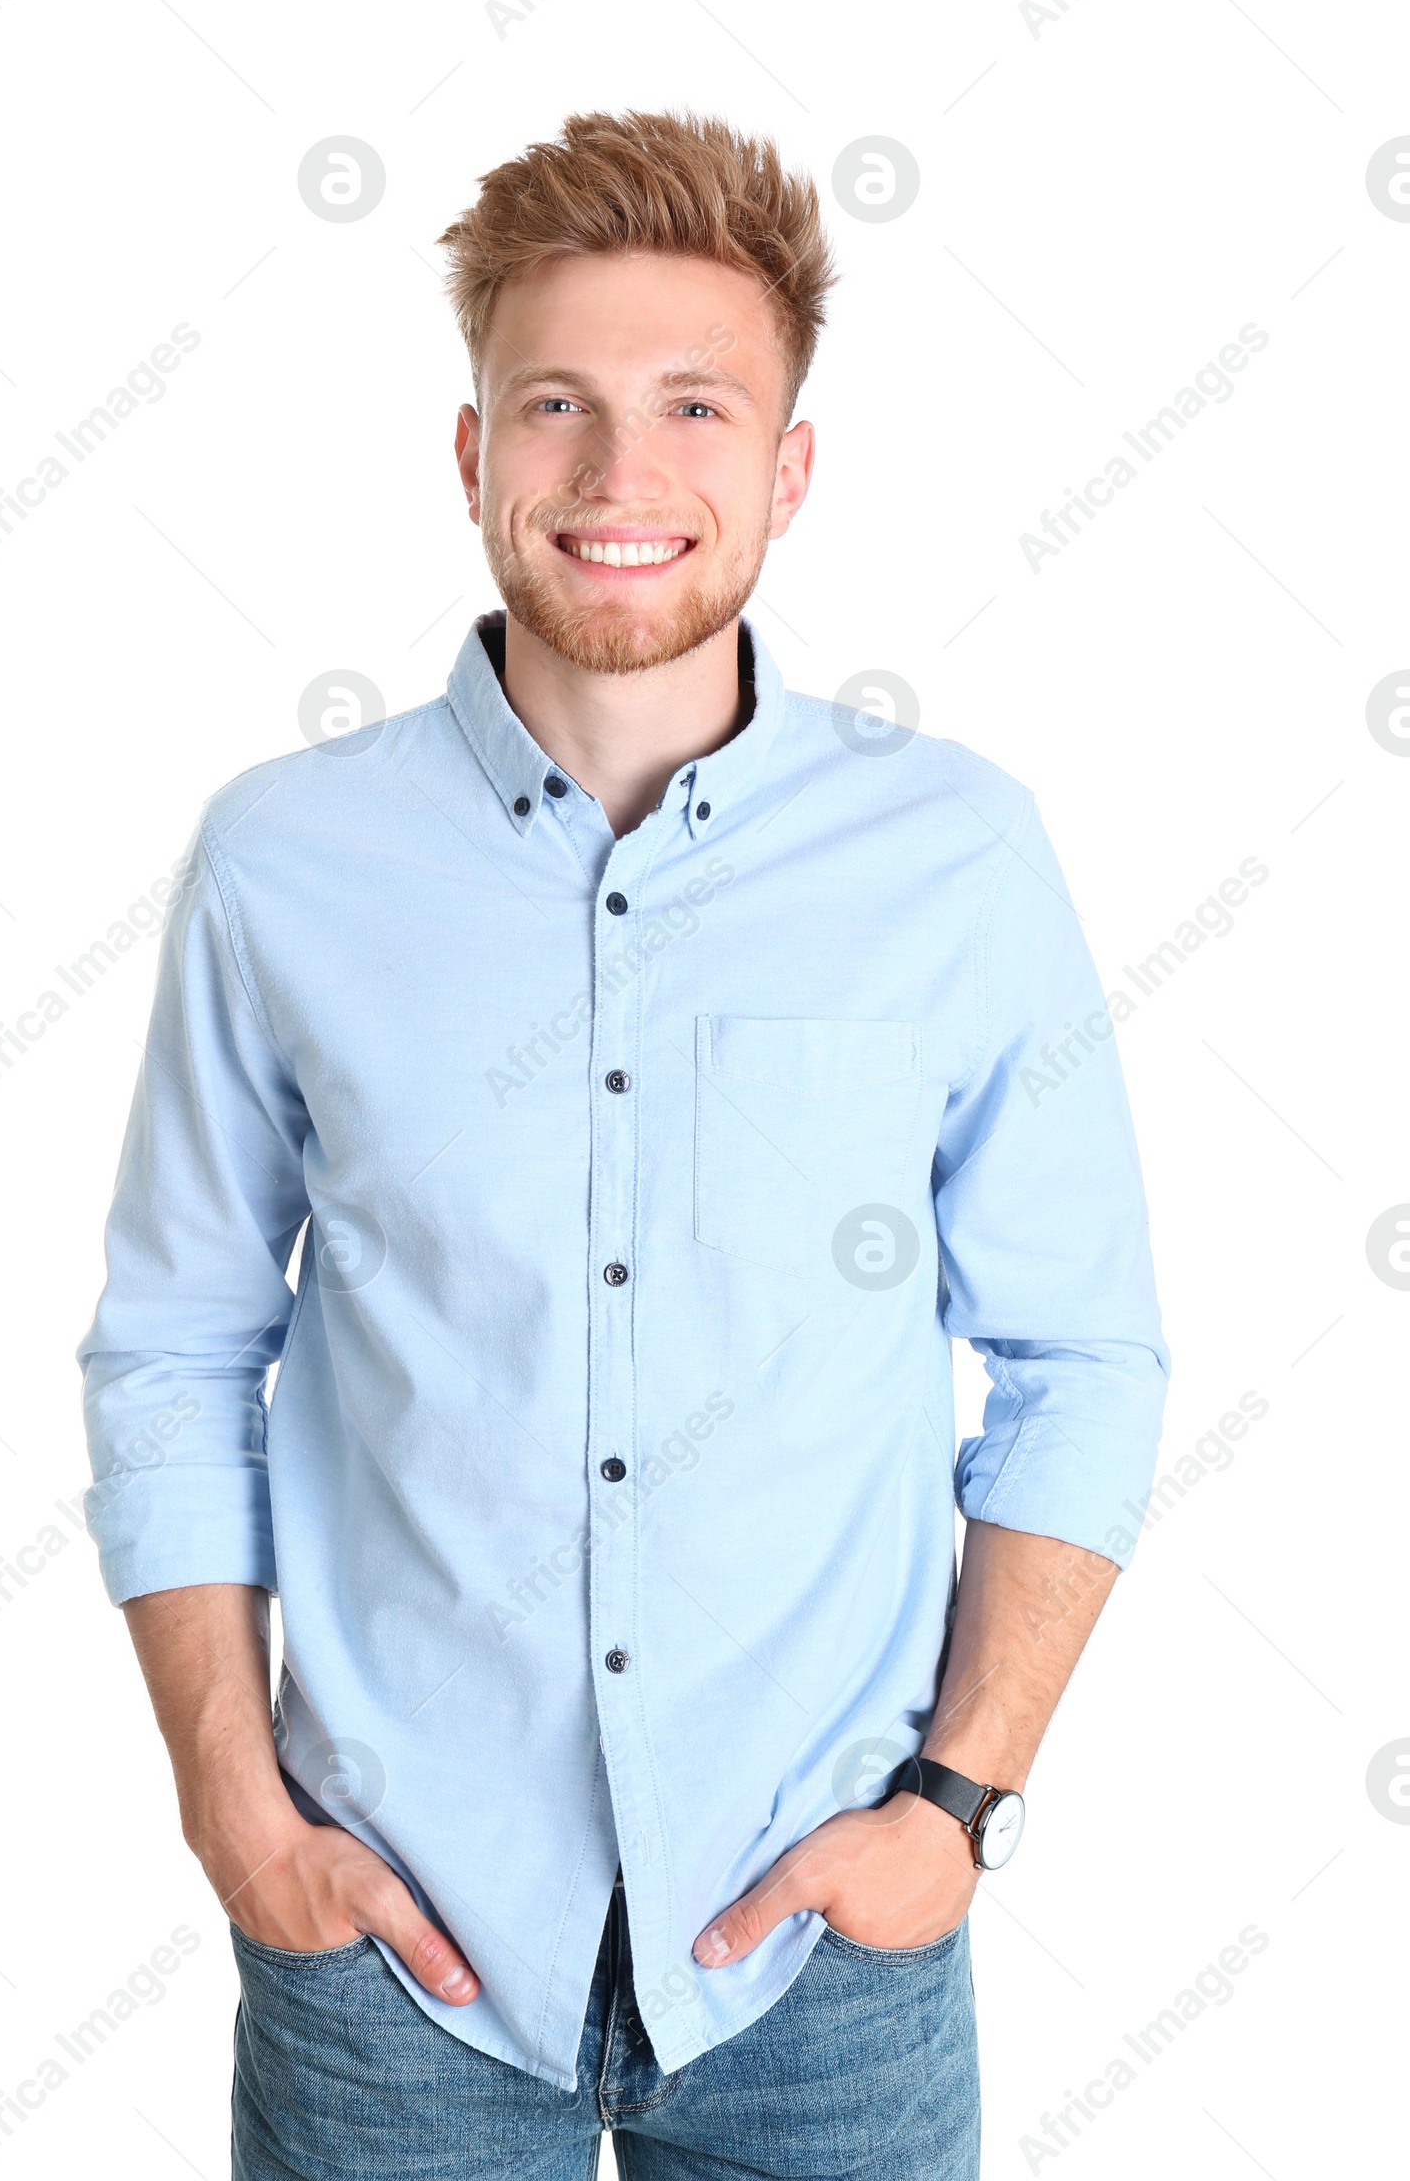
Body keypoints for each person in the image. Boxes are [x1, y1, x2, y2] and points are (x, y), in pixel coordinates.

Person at [78, 109, 1168, 2179]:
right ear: (469, 452)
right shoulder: (281, 864)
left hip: (819, 1966)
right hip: (391, 1961)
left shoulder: (953, 858)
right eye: (554, 404)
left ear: (789, 466)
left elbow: (1079, 1356)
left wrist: (950, 1810)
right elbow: (174, 1347)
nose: (617, 474)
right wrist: (237, 1816)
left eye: (693, 405)